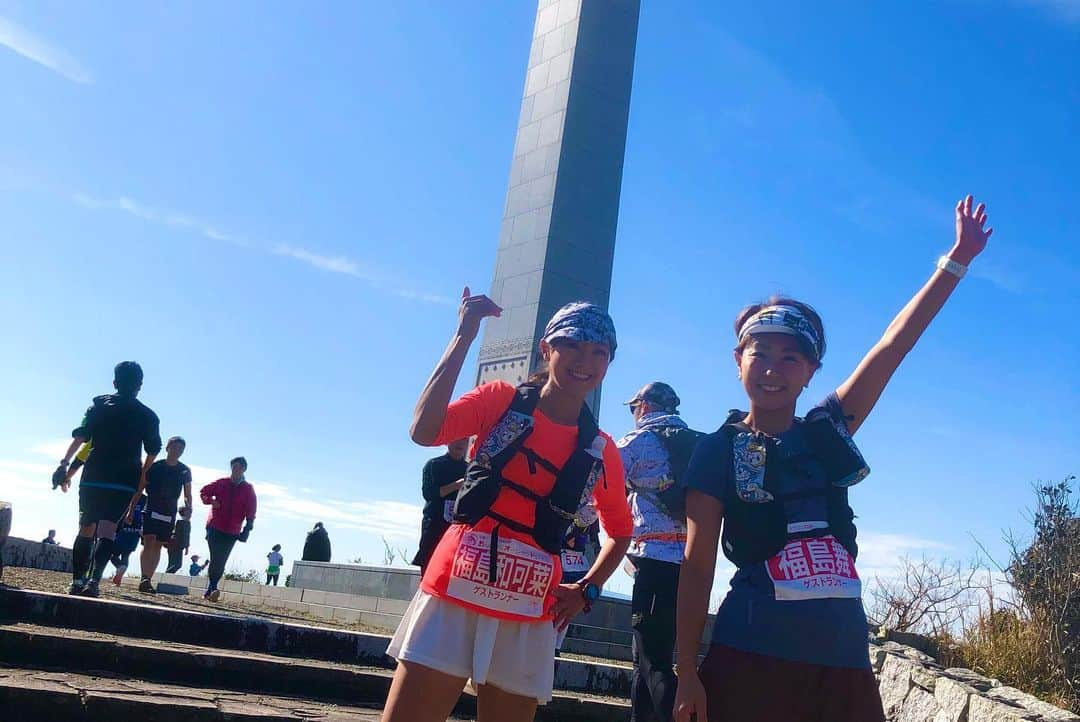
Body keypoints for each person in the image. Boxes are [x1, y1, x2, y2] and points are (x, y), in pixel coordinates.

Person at [673, 196, 994, 722]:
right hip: (751, 652)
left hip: (843, 659)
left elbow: (893, 347)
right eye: (761, 354)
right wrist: (687, 669)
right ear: (738, 361)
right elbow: (697, 561)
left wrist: (956, 260)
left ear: (811, 371)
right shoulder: (716, 450)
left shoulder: (828, 431)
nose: (773, 370)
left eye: (790, 358)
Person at [381, 291, 633, 722]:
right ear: (546, 348)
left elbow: (621, 531)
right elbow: (425, 430)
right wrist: (464, 335)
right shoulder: (500, 401)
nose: (585, 360)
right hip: (452, 590)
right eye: (572, 345)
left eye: (599, 352)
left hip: (530, 610)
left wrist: (587, 589)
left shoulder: (601, 449)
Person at [617, 382, 701, 722]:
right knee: (646, 658)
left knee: (654, 661)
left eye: (634, 407)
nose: (634, 414)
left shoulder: (637, 442)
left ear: (646, 406)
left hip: (652, 561)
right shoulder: (699, 444)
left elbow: (600, 486)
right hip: (693, 563)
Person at [52, 362, 162, 597]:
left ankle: (77, 581)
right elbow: (153, 449)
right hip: (124, 480)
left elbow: (81, 436)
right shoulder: (148, 416)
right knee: (109, 530)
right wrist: (143, 473)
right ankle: (93, 582)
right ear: (140, 386)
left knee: (86, 527)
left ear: (114, 383)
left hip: (95, 475)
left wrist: (63, 464)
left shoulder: (99, 404)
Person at [129, 436, 192, 593]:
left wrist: (188, 505)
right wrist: (131, 510)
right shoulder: (155, 467)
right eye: (175, 447)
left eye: (181, 449)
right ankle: (144, 576)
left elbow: (187, 493)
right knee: (148, 540)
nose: (177, 451)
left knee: (158, 544)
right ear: (168, 447)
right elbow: (140, 488)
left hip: (169, 511)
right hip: (151, 507)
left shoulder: (184, 470)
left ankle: (148, 580)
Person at [200, 457, 257, 602]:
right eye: (234, 466)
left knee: (221, 559)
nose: (236, 469)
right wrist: (211, 501)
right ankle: (212, 588)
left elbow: (251, 510)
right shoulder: (222, 482)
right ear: (231, 467)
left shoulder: (248, 489)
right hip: (214, 526)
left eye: (239, 467)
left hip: (232, 530)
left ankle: (211, 590)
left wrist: (247, 529)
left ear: (244, 469)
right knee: (216, 557)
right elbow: (204, 492)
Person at [411, 439, 469, 574]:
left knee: (453, 571)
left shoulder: (470, 469)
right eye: (456, 439)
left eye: (465, 440)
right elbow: (429, 494)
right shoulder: (433, 465)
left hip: (458, 529)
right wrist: (457, 484)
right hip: (434, 525)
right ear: (447, 441)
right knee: (428, 566)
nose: (460, 443)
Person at [110, 494, 146, 585]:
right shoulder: (145, 499)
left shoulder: (127, 494)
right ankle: (120, 575)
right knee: (126, 555)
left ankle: (119, 566)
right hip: (135, 533)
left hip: (122, 531)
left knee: (112, 554)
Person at [166, 505, 193, 574]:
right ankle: (166, 576)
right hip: (174, 545)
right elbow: (176, 534)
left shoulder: (188, 523)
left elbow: (187, 536)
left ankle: (168, 575)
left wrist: (186, 547)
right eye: (188, 512)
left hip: (180, 546)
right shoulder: (179, 522)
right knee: (174, 563)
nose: (190, 514)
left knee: (177, 564)